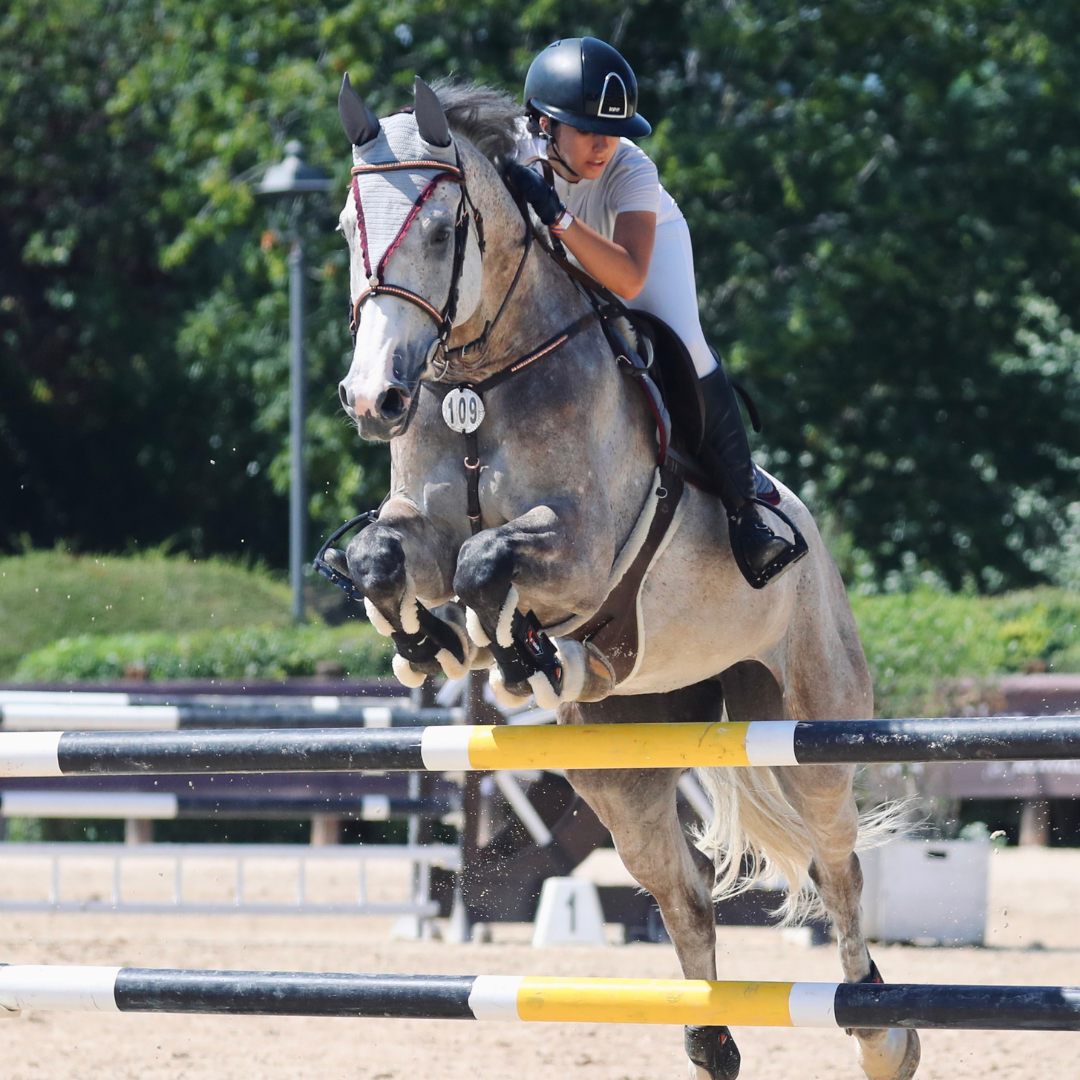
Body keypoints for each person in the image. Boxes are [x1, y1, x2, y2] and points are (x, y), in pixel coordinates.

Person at [507, 37, 803, 589]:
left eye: (612, 131)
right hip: (563, 265)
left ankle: (746, 510)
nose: (604, 145)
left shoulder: (632, 169)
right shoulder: (513, 147)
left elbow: (627, 277)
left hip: (641, 257)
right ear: (544, 125)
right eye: (588, 130)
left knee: (683, 343)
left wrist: (555, 215)